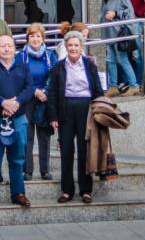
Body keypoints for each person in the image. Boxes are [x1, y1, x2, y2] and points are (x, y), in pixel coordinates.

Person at [47, 31, 104, 204]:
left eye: (76, 45)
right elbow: (52, 93)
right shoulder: (58, 66)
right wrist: (53, 116)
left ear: (81, 47)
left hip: (86, 109)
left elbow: (98, 89)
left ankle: (85, 190)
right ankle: (67, 191)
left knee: (84, 150)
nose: (72, 48)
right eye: (70, 45)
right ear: (65, 47)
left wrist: (98, 112)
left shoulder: (89, 64)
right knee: (66, 151)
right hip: (65, 109)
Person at [0, 34, 34, 210]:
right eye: (2, 46)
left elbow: (29, 89)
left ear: (14, 49)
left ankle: (18, 193)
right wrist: (3, 103)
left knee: (18, 158)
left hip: (18, 118)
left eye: (9, 46)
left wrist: (16, 103)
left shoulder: (23, 67)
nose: (6, 49)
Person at [14, 23, 57, 182]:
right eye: (31, 36)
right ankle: (28, 171)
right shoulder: (21, 56)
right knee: (27, 136)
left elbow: (54, 75)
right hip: (27, 98)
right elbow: (19, 77)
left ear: (43, 38)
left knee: (44, 136)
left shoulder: (51, 55)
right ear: (27, 39)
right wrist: (34, 91)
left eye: (38, 36)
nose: (35, 39)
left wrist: (44, 91)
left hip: (45, 98)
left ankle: (45, 170)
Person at [99, 0, 140, 97]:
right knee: (110, 61)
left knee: (122, 59)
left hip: (118, 34)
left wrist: (116, 14)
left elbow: (130, 12)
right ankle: (113, 87)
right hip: (109, 34)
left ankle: (134, 85)